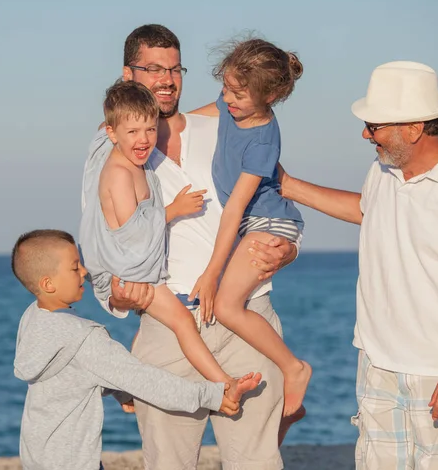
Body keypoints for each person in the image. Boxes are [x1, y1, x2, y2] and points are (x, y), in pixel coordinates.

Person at [81, 24, 301, 469]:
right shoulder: (114, 150)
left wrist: (289, 250)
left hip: (247, 315)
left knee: (258, 461)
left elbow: (276, 197)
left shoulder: (225, 123)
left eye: (174, 68)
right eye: (152, 69)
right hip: (169, 328)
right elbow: (100, 235)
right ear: (128, 74)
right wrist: (115, 296)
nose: (166, 79)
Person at [279, 61, 438, 468]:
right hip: (379, 368)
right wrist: (288, 185)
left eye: (375, 125)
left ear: (414, 127)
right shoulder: (384, 170)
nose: (366, 134)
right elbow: (367, 210)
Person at [79, 80, 261, 401]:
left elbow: (169, 119)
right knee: (182, 323)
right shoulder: (120, 174)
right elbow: (132, 232)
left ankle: (126, 389)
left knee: (178, 324)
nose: (144, 139)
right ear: (112, 134)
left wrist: (227, 100)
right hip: (127, 272)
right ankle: (224, 385)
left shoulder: (136, 159)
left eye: (150, 130)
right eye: (133, 132)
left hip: (137, 267)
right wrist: (173, 210)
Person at [11, 229, 247, 470]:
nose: (84, 272)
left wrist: (120, 391)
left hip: (37, 459)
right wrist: (213, 396)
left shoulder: (32, 320)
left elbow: (73, 375)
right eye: (74, 267)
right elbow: (148, 381)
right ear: (48, 284)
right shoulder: (84, 338)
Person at [189, 38, 311, 417]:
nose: (228, 99)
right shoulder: (232, 105)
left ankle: (294, 367)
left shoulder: (263, 141)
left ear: (269, 95)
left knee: (225, 305)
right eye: (225, 88)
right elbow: (199, 115)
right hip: (251, 222)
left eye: (238, 94)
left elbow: (235, 209)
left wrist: (211, 273)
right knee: (227, 304)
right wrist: (155, 124)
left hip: (268, 222)